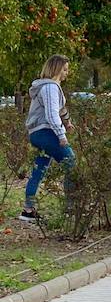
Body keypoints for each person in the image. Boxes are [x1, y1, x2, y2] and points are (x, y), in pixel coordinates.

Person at [21, 54, 76, 222]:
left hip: (36, 134)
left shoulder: (47, 87)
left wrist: (67, 122)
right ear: (57, 69)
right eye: (65, 69)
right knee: (71, 162)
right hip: (46, 133)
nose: (67, 73)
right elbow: (52, 115)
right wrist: (61, 135)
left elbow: (60, 109)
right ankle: (71, 208)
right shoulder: (50, 87)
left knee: (39, 168)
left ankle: (28, 210)